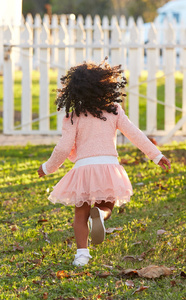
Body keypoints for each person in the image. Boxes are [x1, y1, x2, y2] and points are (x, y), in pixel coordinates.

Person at [37, 61, 171, 267]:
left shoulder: (73, 116)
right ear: (105, 86)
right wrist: (155, 155)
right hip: (108, 166)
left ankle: (81, 255)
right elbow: (135, 134)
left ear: (75, 90)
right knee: (107, 205)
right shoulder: (114, 110)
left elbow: (63, 148)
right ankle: (99, 214)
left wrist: (47, 167)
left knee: (79, 214)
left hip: (83, 169)